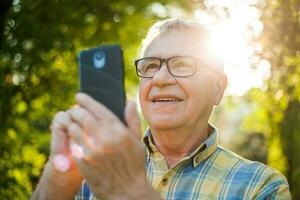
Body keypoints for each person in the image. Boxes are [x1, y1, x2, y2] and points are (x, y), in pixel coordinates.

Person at [31, 18, 291, 200]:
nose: (160, 79)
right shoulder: (92, 169)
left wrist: (131, 191)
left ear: (218, 89)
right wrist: (59, 178)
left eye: (182, 64)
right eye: (150, 66)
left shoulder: (261, 187)